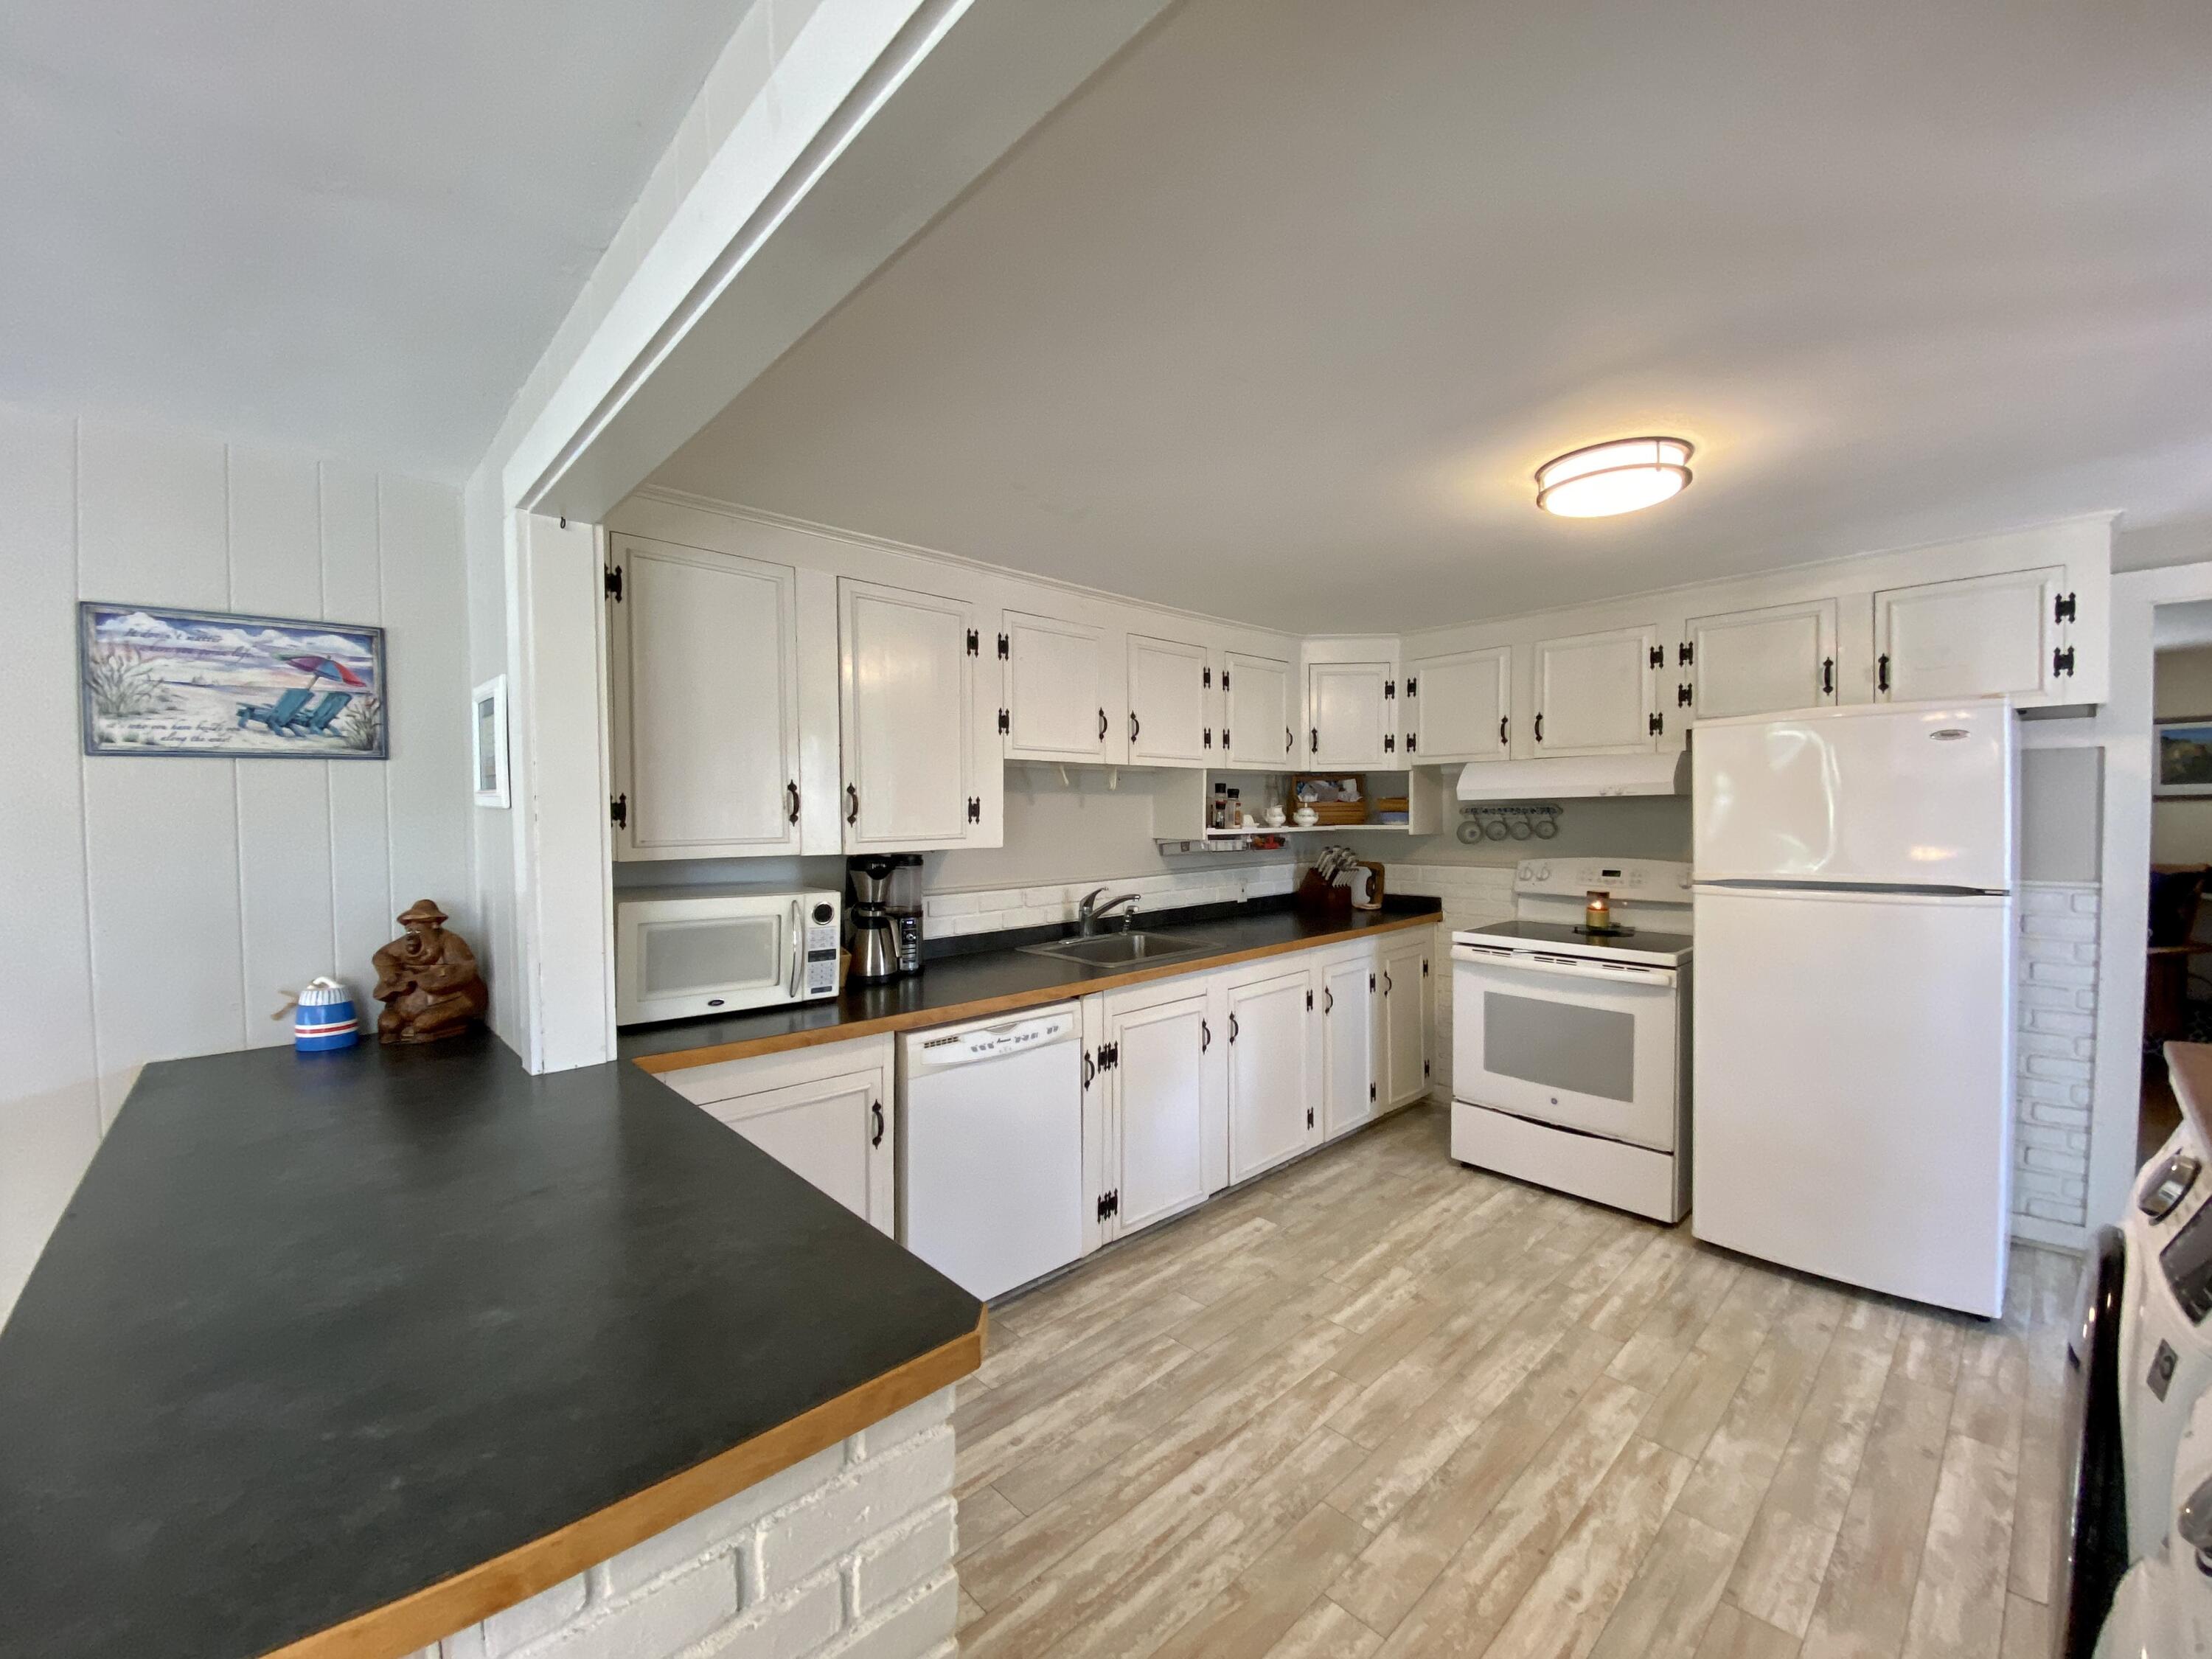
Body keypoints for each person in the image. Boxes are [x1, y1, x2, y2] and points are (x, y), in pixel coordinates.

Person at [371, 900, 488, 1043]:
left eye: (418, 930)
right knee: (388, 1024)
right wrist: (390, 975)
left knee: (423, 1025)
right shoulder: (402, 944)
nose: (412, 936)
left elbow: (465, 970)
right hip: (405, 1005)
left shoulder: (450, 941)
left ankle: (435, 1029)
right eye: (410, 930)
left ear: (434, 926)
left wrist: (427, 980)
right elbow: (381, 956)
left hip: (448, 1002)